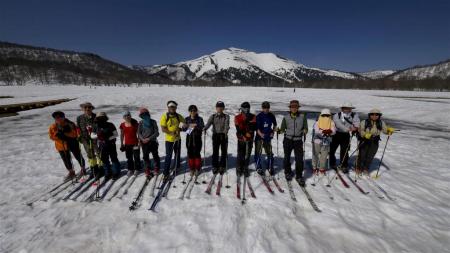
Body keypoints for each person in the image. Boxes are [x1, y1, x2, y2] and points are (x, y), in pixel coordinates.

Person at [277, 100, 308, 186]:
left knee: (299, 159)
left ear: (298, 108)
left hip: (298, 140)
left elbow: (306, 127)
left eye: (295, 107)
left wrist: (305, 130)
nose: (294, 108)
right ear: (290, 108)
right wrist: (279, 131)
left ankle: (299, 176)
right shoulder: (286, 117)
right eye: (292, 107)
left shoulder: (303, 116)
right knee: (287, 157)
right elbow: (283, 129)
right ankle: (287, 172)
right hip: (288, 140)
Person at [49, 111, 86, 181]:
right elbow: (51, 136)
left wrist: (66, 134)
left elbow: (75, 134)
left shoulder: (70, 124)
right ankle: (71, 172)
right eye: (56, 118)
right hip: (61, 145)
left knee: (78, 156)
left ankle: (83, 168)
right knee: (66, 159)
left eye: (60, 117)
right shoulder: (53, 126)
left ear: (63, 117)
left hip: (72, 143)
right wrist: (58, 136)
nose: (58, 119)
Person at [357, 108, 395, 175]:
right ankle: (358, 168)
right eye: (372, 114)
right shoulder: (364, 122)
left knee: (370, 155)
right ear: (369, 115)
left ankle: (366, 168)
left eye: (376, 115)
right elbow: (360, 130)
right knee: (362, 155)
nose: (374, 116)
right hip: (365, 140)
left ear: (379, 116)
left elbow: (385, 130)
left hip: (375, 140)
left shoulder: (381, 122)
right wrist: (365, 134)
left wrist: (389, 130)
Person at [330, 102, 360, 173]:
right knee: (332, 150)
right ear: (342, 108)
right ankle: (332, 163)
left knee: (345, 151)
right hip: (336, 134)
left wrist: (354, 128)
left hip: (346, 135)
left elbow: (357, 123)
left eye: (348, 108)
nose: (347, 110)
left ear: (351, 109)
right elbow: (338, 124)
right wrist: (349, 129)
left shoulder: (354, 115)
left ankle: (344, 165)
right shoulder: (337, 115)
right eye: (345, 108)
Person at [90, 112, 121, 181]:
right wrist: (98, 136)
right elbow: (92, 136)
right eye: (99, 117)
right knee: (104, 159)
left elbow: (116, 134)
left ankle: (116, 172)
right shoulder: (96, 125)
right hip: (102, 145)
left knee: (114, 158)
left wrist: (107, 138)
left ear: (105, 118)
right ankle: (107, 172)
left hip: (111, 144)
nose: (101, 119)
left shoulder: (110, 124)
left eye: (103, 117)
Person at [160, 100, 185, 178]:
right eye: (170, 107)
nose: (172, 108)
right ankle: (166, 172)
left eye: (173, 107)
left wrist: (180, 129)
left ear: (176, 108)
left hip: (177, 139)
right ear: (168, 108)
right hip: (169, 140)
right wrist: (171, 133)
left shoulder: (179, 116)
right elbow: (163, 129)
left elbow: (185, 126)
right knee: (168, 156)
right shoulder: (165, 116)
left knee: (177, 154)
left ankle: (177, 167)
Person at [204, 101, 230, 175]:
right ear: (216, 108)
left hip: (223, 135)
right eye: (218, 107)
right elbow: (208, 123)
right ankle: (215, 166)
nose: (220, 109)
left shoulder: (226, 116)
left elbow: (226, 125)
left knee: (224, 151)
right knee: (215, 151)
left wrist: (225, 132)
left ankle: (222, 165)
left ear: (223, 108)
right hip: (215, 135)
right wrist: (205, 128)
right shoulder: (213, 116)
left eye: (221, 107)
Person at [254, 101, 277, 176]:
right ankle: (258, 167)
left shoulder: (271, 115)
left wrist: (273, 132)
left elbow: (275, 124)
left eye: (267, 108)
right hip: (259, 137)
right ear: (262, 108)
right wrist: (260, 134)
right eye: (264, 108)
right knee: (258, 152)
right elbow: (256, 128)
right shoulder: (259, 116)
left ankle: (270, 166)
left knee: (269, 152)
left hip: (268, 137)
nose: (266, 109)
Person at [76, 102, 98, 178]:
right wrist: (79, 135)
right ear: (83, 109)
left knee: (99, 153)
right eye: (85, 108)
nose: (87, 109)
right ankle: (93, 168)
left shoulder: (96, 116)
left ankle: (101, 167)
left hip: (95, 138)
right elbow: (78, 128)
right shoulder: (79, 118)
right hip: (85, 139)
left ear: (92, 108)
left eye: (89, 107)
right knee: (90, 154)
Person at [235, 102, 256, 178]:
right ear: (241, 109)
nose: (246, 110)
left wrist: (249, 133)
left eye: (248, 108)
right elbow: (238, 129)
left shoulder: (253, 116)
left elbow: (253, 127)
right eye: (244, 108)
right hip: (241, 139)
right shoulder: (237, 117)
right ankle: (239, 168)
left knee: (248, 154)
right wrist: (243, 135)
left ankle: (245, 167)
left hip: (249, 139)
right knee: (240, 154)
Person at [312, 109, 336, 175]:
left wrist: (330, 131)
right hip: (317, 141)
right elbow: (316, 130)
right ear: (321, 115)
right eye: (324, 115)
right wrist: (323, 131)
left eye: (327, 115)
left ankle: (322, 168)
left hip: (326, 141)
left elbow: (334, 131)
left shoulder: (331, 122)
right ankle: (314, 167)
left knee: (324, 155)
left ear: (329, 116)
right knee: (315, 154)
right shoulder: (317, 122)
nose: (326, 117)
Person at [137, 107, 160, 177]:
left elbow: (156, 133)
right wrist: (142, 139)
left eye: (145, 114)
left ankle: (156, 167)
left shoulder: (153, 122)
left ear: (148, 114)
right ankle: (147, 168)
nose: (144, 116)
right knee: (145, 156)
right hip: (144, 142)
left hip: (152, 141)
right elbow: (139, 133)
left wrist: (149, 138)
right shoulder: (141, 123)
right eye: (142, 115)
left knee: (155, 155)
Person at [183, 105, 205, 176]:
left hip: (197, 138)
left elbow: (202, 127)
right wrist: (186, 126)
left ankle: (197, 168)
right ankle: (192, 168)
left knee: (197, 153)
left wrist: (192, 126)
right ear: (189, 111)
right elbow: (183, 129)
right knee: (190, 153)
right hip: (189, 139)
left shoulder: (200, 119)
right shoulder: (186, 119)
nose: (193, 112)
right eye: (191, 111)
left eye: (194, 110)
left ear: (196, 111)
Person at [120, 111, 140, 177]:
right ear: (123, 117)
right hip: (127, 144)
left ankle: (137, 168)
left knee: (136, 157)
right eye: (125, 116)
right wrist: (121, 144)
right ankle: (130, 169)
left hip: (135, 143)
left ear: (130, 116)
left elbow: (139, 133)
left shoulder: (135, 124)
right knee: (129, 157)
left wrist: (139, 141)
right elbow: (122, 135)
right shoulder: (122, 125)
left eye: (128, 115)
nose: (127, 117)